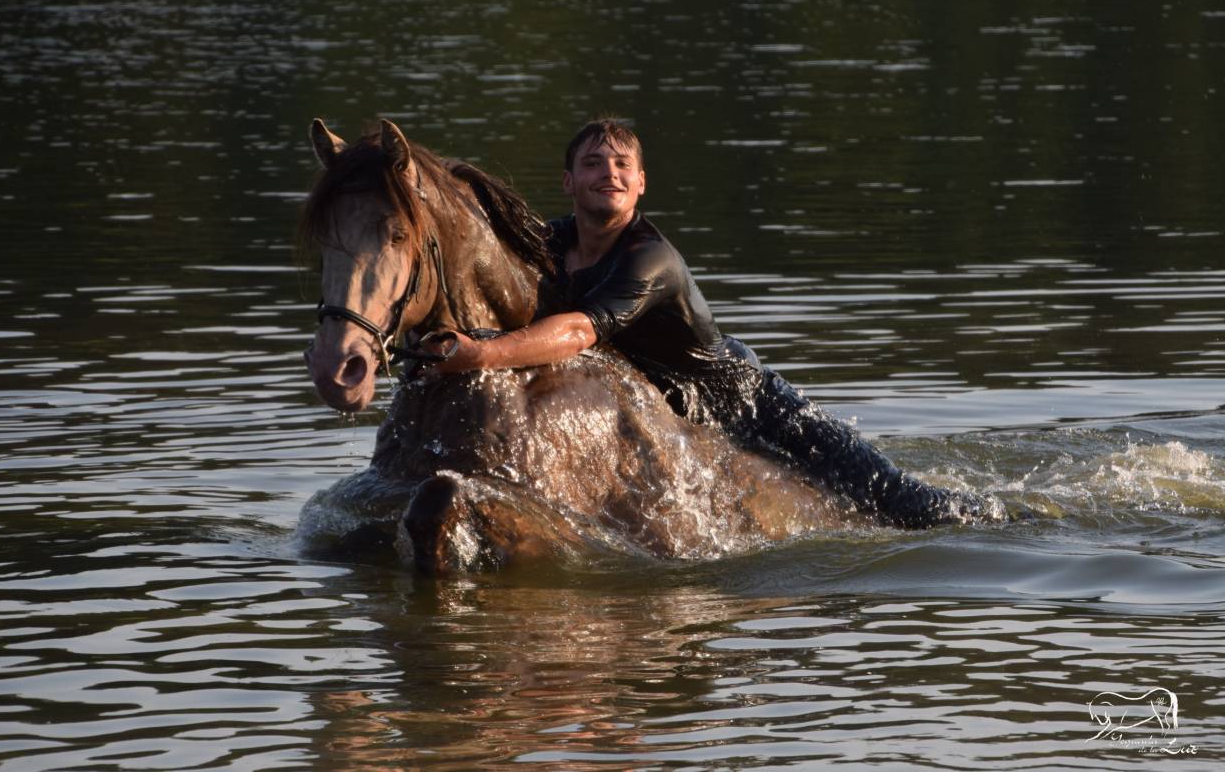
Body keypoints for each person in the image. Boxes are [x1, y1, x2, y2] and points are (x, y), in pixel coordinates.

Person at [423, 119, 1002, 527]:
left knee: (904, 505)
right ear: (568, 182)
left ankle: (1002, 518)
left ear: (642, 183)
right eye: (593, 163)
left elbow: (578, 332)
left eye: (624, 164)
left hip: (745, 403)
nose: (611, 173)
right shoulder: (550, 243)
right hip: (665, 411)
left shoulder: (650, 257)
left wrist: (479, 355)